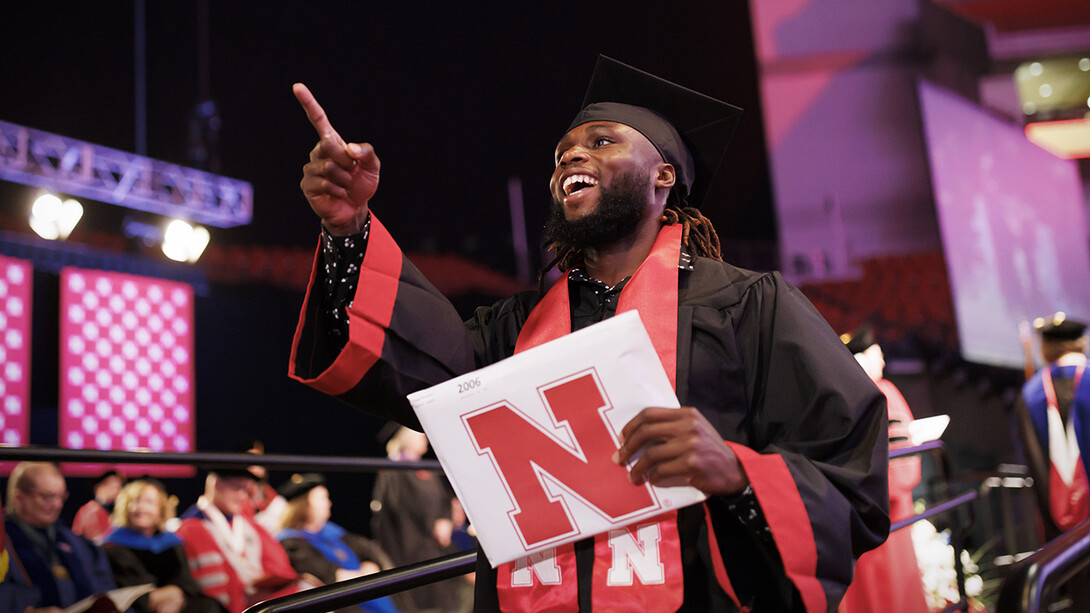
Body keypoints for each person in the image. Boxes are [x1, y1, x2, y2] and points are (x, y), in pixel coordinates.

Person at [287, 55, 889, 611]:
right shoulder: (514, 328)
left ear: (662, 178)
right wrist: (350, 228)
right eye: (562, 153)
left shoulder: (751, 308)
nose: (571, 157)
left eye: (601, 142)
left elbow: (850, 479)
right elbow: (414, 368)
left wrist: (738, 471)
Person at [837, 326, 928, 613]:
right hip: (889, 510)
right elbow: (902, 461)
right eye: (878, 355)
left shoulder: (838, 395)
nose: (884, 362)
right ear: (864, 357)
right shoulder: (883, 391)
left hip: (851, 512)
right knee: (895, 590)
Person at [175, 469, 313, 613]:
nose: (242, 496)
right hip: (228, 608)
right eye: (236, 488)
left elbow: (280, 567)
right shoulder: (189, 529)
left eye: (246, 491)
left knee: (307, 593)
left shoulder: (250, 526)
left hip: (259, 603)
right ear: (216, 484)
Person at [275, 473, 403, 613]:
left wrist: (369, 562)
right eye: (322, 498)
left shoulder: (334, 533)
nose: (329, 503)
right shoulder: (291, 542)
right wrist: (362, 575)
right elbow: (327, 574)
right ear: (304, 504)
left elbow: (366, 553)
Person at [1, 462, 120, 612]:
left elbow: (103, 585)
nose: (57, 504)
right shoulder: (3, 542)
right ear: (19, 497)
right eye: (48, 497)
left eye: (61, 496)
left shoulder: (75, 541)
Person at [1015, 313, 1090, 539]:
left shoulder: (1030, 395)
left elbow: (1028, 458)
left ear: (1045, 347)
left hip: (1058, 529)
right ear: (1080, 343)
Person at [102, 479, 225, 613]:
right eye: (135, 501)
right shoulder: (112, 546)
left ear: (160, 509)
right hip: (136, 606)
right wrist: (165, 597)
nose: (141, 508)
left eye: (149, 502)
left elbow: (186, 581)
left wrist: (173, 597)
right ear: (125, 506)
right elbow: (126, 589)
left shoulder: (171, 543)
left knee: (208, 606)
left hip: (177, 602)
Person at [370, 427, 457, 613]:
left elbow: (445, 501)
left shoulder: (426, 470)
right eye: (419, 434)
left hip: (435, 546)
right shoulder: (393, 470)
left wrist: (445, 521)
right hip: (411, 547)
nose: (424, 438)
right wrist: (432, 522)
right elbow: (401, 506)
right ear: (405, 437)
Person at [73, 470, 125, 545]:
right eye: (115, 487)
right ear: (101, 486)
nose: (118, 492)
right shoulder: (92, 510)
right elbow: (93, 541)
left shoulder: (102, 510)